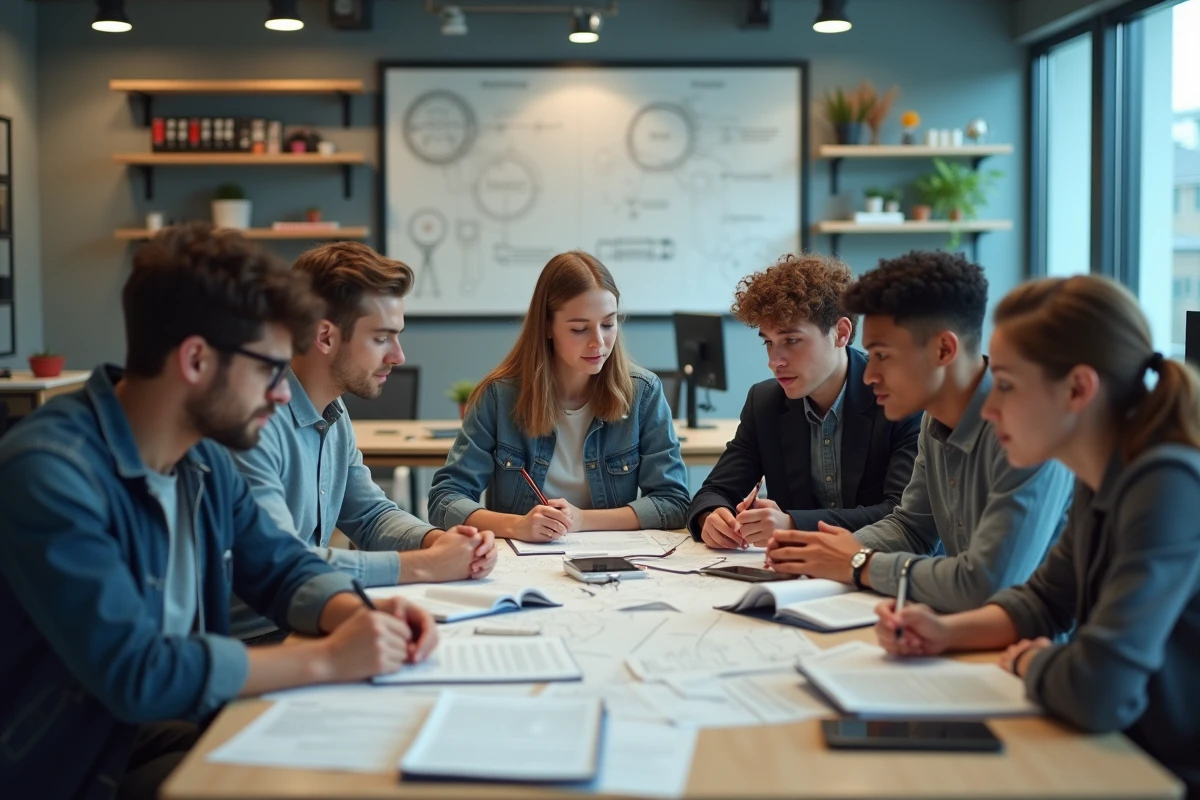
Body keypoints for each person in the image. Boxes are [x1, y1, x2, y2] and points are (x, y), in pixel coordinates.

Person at [0, 224, 438, 800]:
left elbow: (282, 566)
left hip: (157, 725)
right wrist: (328, 659)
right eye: (267, 370)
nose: (281, 393)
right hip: (69, 763)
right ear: (196, 360)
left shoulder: (202, 458)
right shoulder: (49, 471)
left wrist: (357, 616)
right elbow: (137, 670)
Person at [875, 275, 1200, 797]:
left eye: (1005, 385)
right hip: (1116, 755)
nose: (988, 408)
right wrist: (945, 633)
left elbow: (1099, 689)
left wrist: (1029, 659)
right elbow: (1044, 601)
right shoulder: (1104, 476)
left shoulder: (1166, 485)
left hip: (1160, 774)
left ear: (1078, 389)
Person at [766, 250, 1073, 612]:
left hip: (1042, 643)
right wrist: (822, 555)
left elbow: (986, 584)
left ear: (944, 350)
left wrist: (859, 562)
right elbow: (911, 528)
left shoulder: (1028, 427)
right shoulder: (935, 419)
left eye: (883, 355)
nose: (869, 375)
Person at [230, 242, 496, 643]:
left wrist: (439, 541)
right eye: (382, 338)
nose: (398, 356)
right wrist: (426, 564)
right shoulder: (255, 421)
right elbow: (285, 561)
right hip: (253, 643)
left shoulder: (332, 410)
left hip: (312, 619)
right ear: (325, 336)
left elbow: (370, 515)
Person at [428, 250, 690, 540]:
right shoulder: (498, 396)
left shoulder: (644, 392)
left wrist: (583, 520)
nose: (599, 342)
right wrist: (517, 526)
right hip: (522, 560)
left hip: (613, 557)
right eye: (579, 329)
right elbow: (445, 500)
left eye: (608, 324)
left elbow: (674, 503)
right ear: (547, 326)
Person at [688, 252, 921, 549]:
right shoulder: (765, 403)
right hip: (796, 572)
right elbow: (714, 491)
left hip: (883, 568)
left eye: (791, 340)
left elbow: (902, 516)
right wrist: (711, 516)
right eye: (768, 342)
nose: (774, 361)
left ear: (841, 333)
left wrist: (794, 524)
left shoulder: (900, 398)